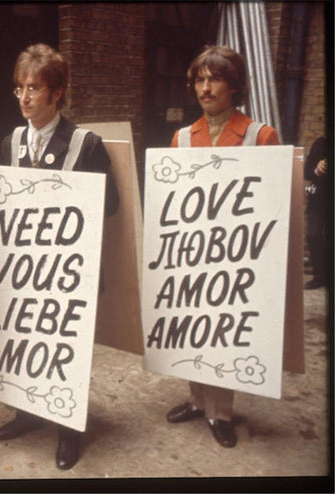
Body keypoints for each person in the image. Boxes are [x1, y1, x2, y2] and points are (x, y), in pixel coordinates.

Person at [0, 43, 119, 470]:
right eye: (19, 88)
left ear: (57, 92)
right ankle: (27, 412)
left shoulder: (85, 144)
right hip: (24, 269)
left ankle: (68, 429)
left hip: (70, 272)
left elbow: (111, 205)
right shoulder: (11, 141)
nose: (25, 98)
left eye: (34, 88)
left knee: (67, 350)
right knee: (25, 342)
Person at [166, 45, 281, 448]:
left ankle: (221, 412)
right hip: (193, 254)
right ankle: (198, 401)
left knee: (226, 333)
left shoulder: (260, 136)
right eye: (199, 79)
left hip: (237, 255)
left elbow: (272, 207)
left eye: (214, 78)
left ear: (234, 84)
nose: (205, 87)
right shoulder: (181, 138)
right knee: (195, 329)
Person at [303, 136, 329, 290]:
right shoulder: (320, 143)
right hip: (318, 199)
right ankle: (319, 276)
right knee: (313, 234)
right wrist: (317, 170)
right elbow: (307, 172)